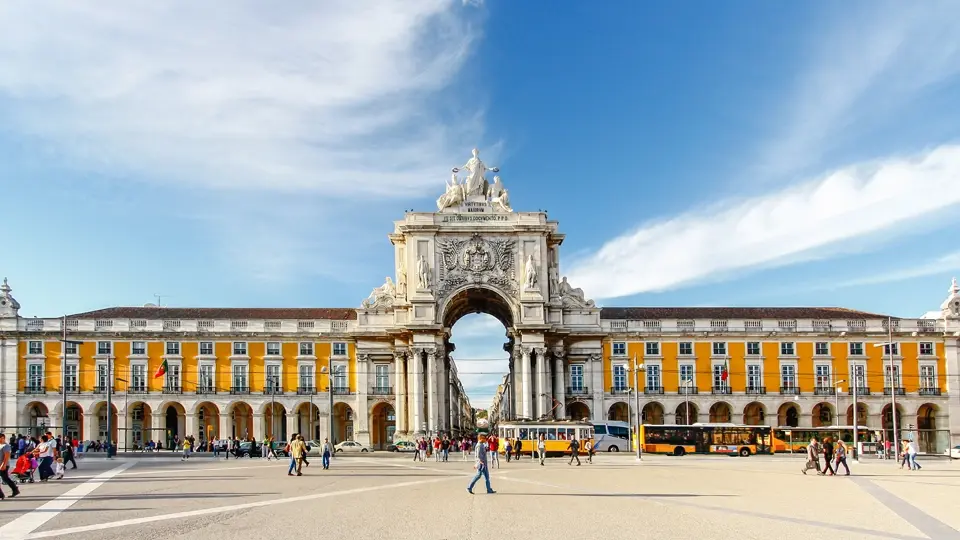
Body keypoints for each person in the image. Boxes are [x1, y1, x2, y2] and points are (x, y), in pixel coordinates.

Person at [0, 434, 20, 499]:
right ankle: (14, 490)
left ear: (2, 438)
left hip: (3, 465)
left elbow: (7, 456)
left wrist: (4, 464)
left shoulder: (6, 446)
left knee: (5, 478)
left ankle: (15, 489)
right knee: (5, 478)